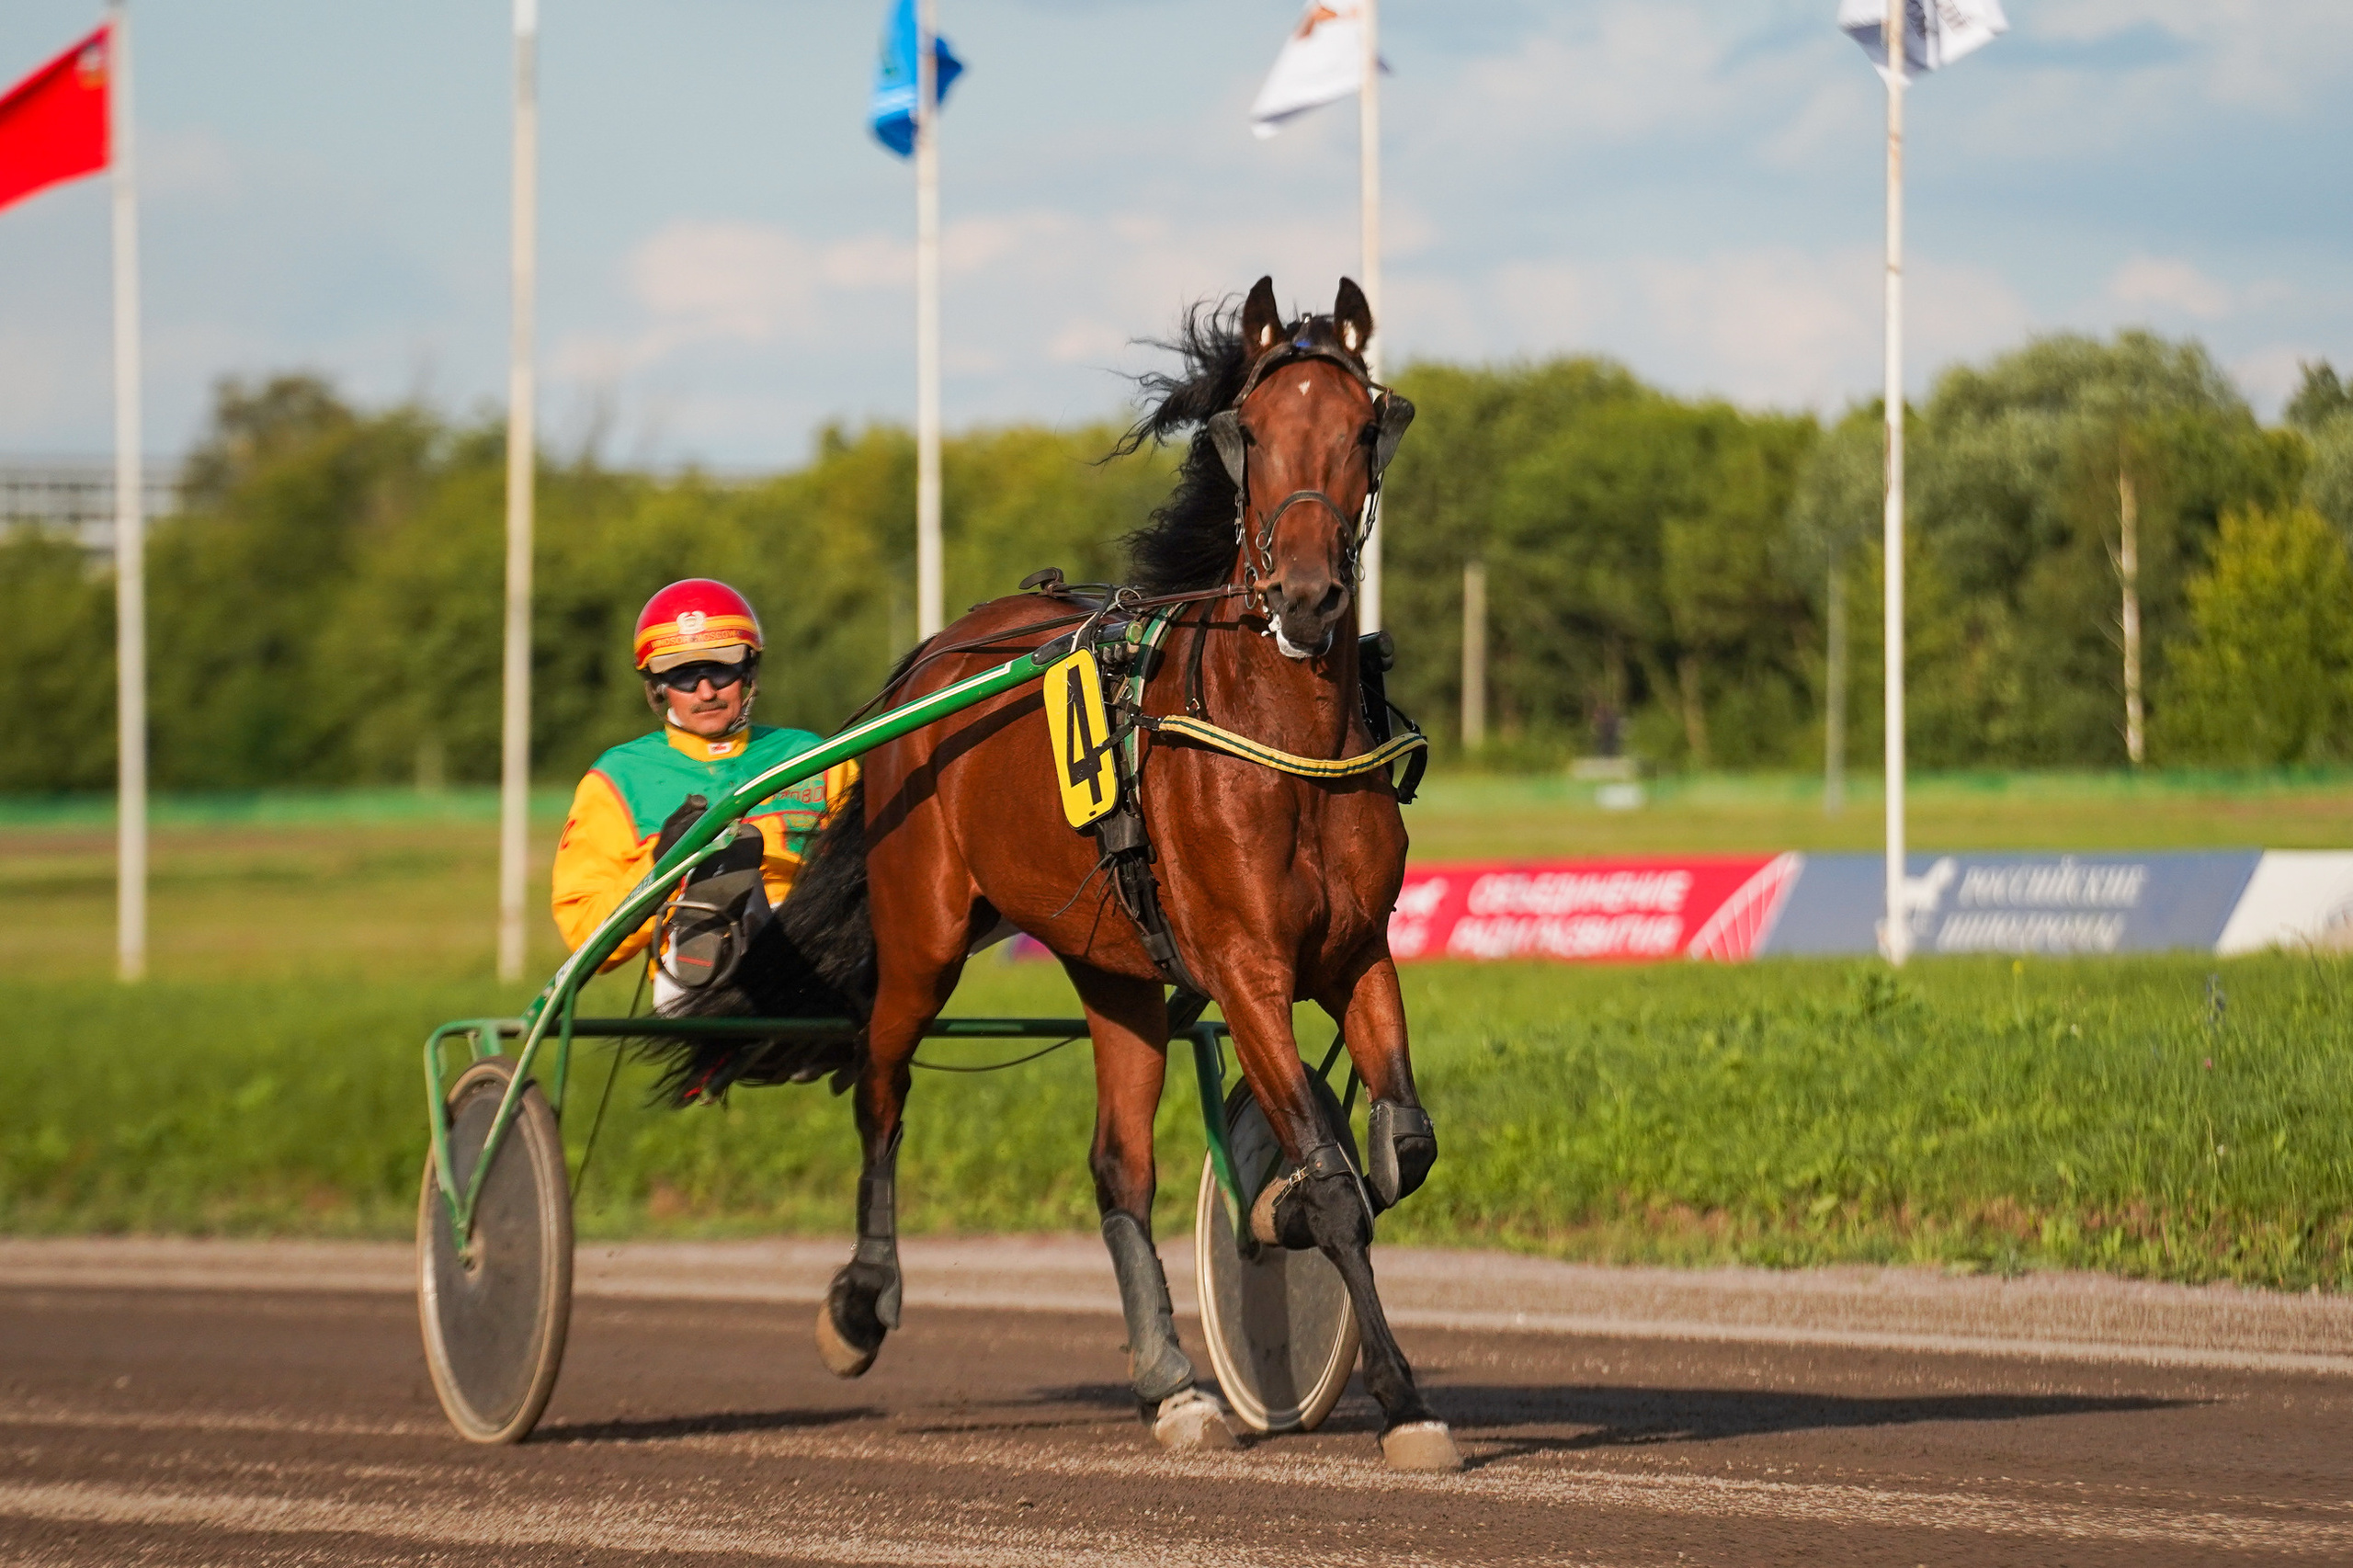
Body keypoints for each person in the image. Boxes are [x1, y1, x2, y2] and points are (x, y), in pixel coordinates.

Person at [551, 579, 856, 999]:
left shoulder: (815, 757)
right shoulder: (618, 778)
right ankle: (713, 911)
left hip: (820, 953)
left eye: (721, 668)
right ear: (658, 685)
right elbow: (587, 939)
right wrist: (662, 868)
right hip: (698, 974)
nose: (706, 691)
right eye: (683, 675)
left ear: (748, 671)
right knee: (728, 879)